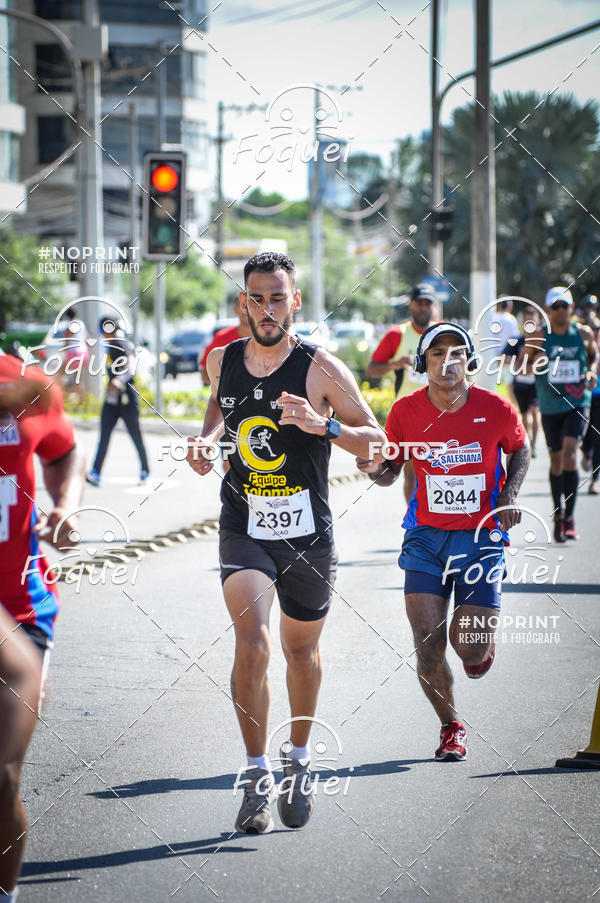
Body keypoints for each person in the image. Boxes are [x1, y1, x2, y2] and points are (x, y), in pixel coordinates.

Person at [186, 251, 385, 834]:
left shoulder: (321, 368)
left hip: (308, 536)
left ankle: (297, 761)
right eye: (256, 297)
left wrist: (322, 425)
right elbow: (219, 417)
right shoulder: (222, 361)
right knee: (253, 645)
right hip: (243, 525)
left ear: (295, 301)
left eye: (277, 297)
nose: (266, 308)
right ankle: (253, 776)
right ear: (242, 302)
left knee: (301, 653)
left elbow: (375, 444)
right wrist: (205, 447)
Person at [357, 322, 530, 761]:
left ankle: (479, 651)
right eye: (437, 354)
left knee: (468, 646)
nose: (447, 361)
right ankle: (451, 726)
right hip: (425, 539)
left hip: (481, 537)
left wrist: (508, 495)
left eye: (457, 353)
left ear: (469, 362)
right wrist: (372, 469)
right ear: (423, 363)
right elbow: (391, 472)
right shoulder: (405, 412)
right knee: (427, 641)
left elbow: (520, 448)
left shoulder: (496, 408)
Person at [0, 351, 85, 900]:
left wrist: (66, 505)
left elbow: (65, 450)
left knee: (2, 775)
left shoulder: (24, 383)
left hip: (21, 606)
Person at [526, 287, 598, 542]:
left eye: (564, 306)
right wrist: (534, 363)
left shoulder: (583, 332)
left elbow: (592, 355)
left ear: (571, 308)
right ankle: (559, 513)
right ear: (548, 310)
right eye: (555, 306)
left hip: (578, 401)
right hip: (549, 405)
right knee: (556, 461)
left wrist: (590, 372)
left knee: (570, 455)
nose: (560, 310)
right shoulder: (538, 336)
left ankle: (570, 518)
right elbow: (523, 365)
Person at [366, 282, 438, 504]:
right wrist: (395, 364)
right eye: (419, 303)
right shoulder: (398, 334)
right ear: (412, 304)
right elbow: (371, 369)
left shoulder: (441, 333)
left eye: (428, 304)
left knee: (440, 469)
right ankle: (414, 520)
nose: (423, 308)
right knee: (412, 471)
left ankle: (439, 517)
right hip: (409, 414)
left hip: (440, 410)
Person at [86, 316, 149, 487]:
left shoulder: (122, 344)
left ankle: (145, 471)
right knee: (104, 435)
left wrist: (120, 380)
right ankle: (95, 472)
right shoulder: (109, 346)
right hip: (112, 401)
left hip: (128, 400)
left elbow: (131, 366)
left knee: (135, 435)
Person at [504, 306, 541, 457]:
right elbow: (503, 358)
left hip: (536, 384)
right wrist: (518, 363)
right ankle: (528, 441)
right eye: (526, 321)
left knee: (535, 411)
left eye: (532, 321)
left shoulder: (542, 340)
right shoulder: (517, 340)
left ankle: (534, 445)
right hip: (520, 383)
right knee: (525, 415)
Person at [200, 300, 251, 386]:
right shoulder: (221, 337)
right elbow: (205, 373)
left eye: (252, 305)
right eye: (243, 305)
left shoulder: (268, 338)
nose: (247, 310)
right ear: (235, 309)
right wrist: (225, 388)